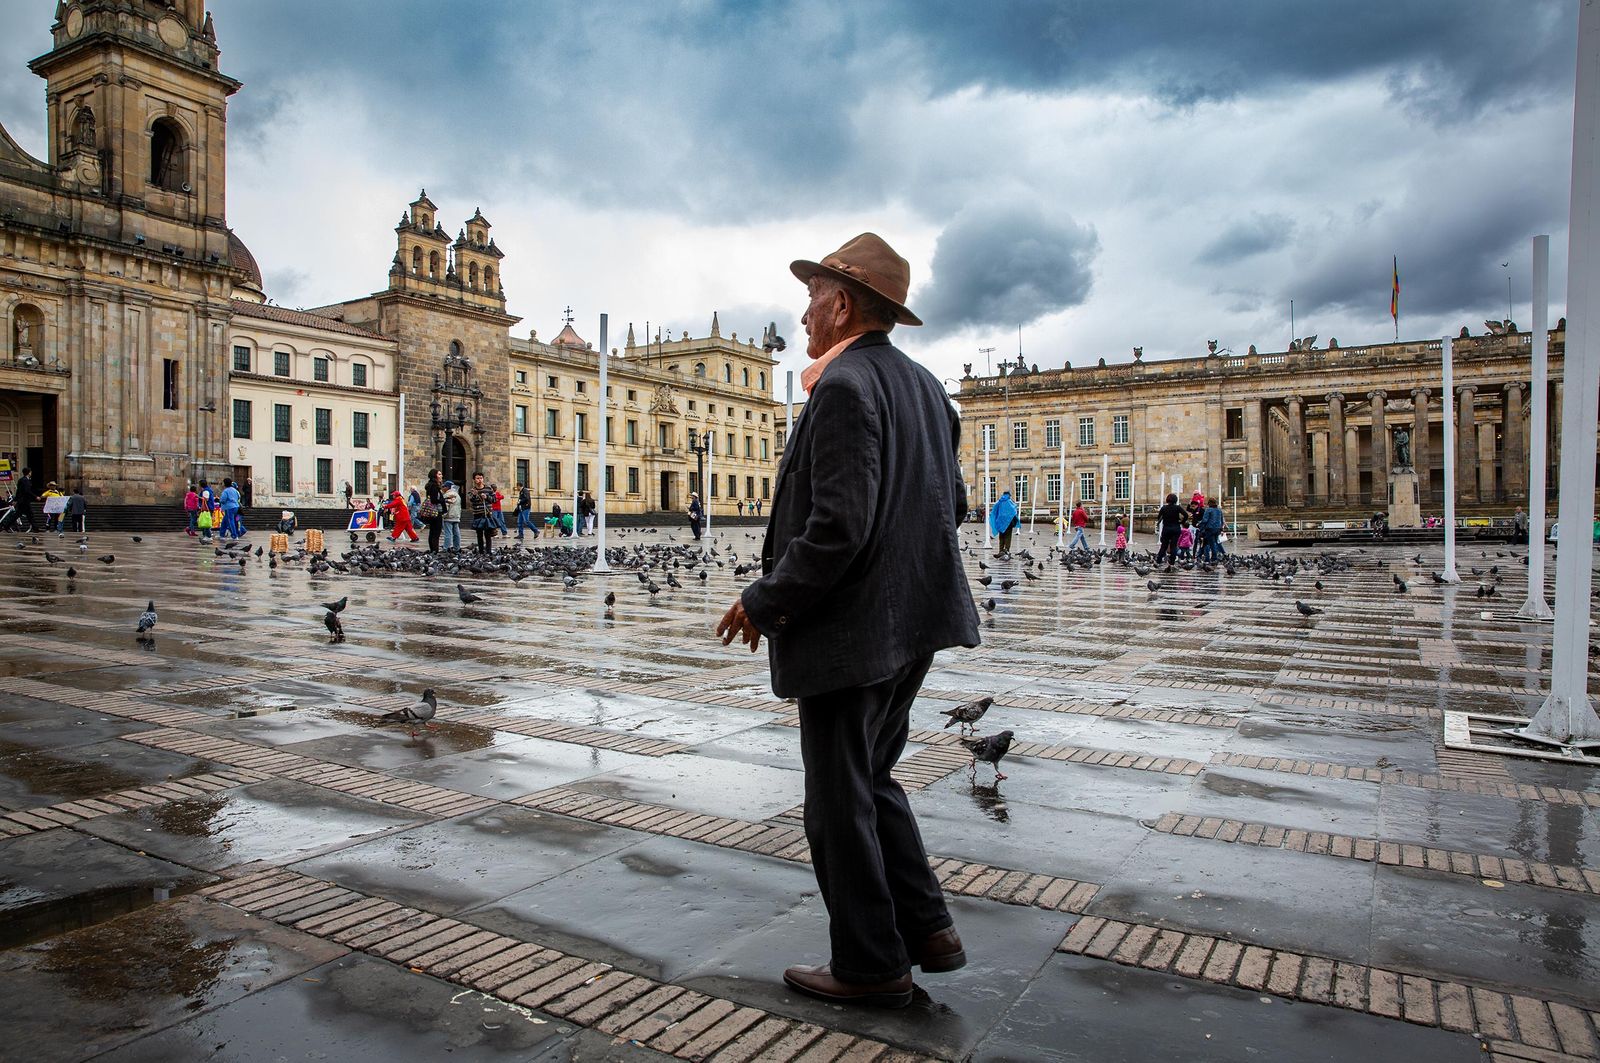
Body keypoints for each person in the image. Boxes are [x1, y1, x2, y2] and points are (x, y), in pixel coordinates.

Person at [717, 232, 977, 1008]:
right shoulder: (927, 388)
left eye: (810, 298)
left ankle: (871, 964)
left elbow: (837, 526)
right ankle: (928, 929)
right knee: (873, 776)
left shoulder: (842, 388)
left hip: (851, 633)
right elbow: (953, 504)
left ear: (840, 304)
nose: (802, 315)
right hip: (914, 622)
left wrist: (764, 599)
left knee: (836, 800)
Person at [468, 472, 497, 552]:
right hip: (478, 514)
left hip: (487, 514)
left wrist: (487, 497)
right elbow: (471, 501)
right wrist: (474, 495)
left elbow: (494, 500)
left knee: (488, 534)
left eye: (481, 478)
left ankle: (488, 551)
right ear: (474, 480)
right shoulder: (472, 490)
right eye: (477, 478)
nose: (480, 480)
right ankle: (481, 551)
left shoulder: (489, 489)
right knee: (479, 534)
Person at [1154, 493, 1184, 568]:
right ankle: (1172, 563)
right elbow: (1186, 515)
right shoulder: (1177, 508)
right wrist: (1181, 522)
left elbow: (1159, 517)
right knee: (1173, 546)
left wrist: (1164, 518)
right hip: (1176, 528)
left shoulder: (1164, 508)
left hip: (1166, 528)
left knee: (1164, 546)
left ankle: (1158, 561)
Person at [989, 489, 1019, 557]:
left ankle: (1001, 551)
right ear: (1009, 495)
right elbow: (1014, 510)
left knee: (1001, 537)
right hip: (1008, 523)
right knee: (1008, 537)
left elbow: (994, 511)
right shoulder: (1010, 502)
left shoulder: (999, 502)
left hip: (1000, 523)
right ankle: (1007, 551)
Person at [423, 469, 445, 552]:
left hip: (433, 512)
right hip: (436, 512)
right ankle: (435, 550)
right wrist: (443, 500)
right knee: (436, 533)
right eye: (439, 474)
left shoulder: (431, 486)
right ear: (435, 476)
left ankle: (433, 550)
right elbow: (434, 499)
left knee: (432, 532)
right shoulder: (434, 486)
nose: (441, 476)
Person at [1200, 496, 1226, 562]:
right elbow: (1221, 519)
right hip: (1218, 528)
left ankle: (1214, 557)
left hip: (1210, 528)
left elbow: (1205, 520)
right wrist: (1221, 528)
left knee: (1211, 543)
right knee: (1215, 542)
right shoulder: (1219, 510)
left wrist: (1200, 526)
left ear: (1209, 503)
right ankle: (1214, 556)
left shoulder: (1208, 510)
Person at [441, 479, 462, 550]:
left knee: (448, 533)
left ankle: (446, 547)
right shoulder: (457, 495)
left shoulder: (447, 495)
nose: (443, 488)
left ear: (447, 487)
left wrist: (443, 516)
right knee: (456, 533)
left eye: (444, 486)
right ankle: (457, 547)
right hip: (456, 516)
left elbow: (446, 507)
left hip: (449, 516)